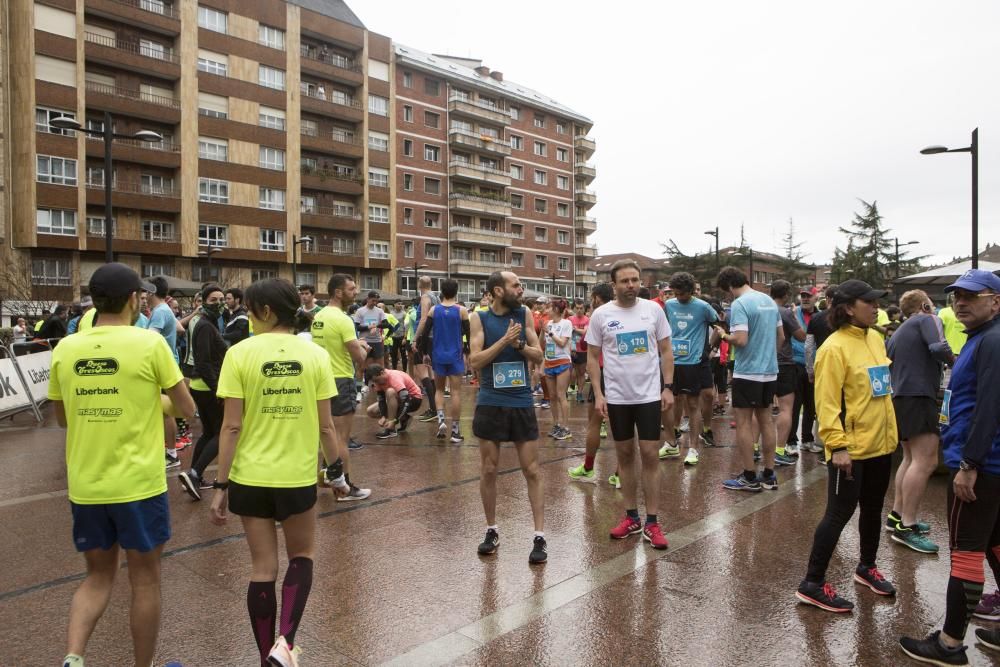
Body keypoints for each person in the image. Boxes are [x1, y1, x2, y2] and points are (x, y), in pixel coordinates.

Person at [50, 263, 195, 667]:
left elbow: (63, 419)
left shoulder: (65, 349)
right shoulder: (149, 345)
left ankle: (74, 658)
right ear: (135, 299)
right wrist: (154, 401)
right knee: (145, 580)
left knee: (97, 578)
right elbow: (186, 406)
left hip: (87, 484)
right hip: (139, 485)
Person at [208, 278, 348, 667]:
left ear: (267, 312)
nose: (248, 318)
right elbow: (326, 428)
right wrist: (336, 474)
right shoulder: (314, 355)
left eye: (251, 311)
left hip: (249, 478)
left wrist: (220, 485)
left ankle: (264, 653)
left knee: (262, 568)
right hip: (296, 478)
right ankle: (284, 644)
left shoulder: (239, 354)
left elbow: (231, 427)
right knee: (301, 555)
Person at [899, 270, 1000, 664]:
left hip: (982, 464)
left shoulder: (990, 342)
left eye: (972, 296)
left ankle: (950, 643)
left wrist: (969, 463)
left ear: (995, 301)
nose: (961, 302)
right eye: (957, 295)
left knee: (967, 554)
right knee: (992, 546)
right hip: (989, 462)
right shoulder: (983, 339)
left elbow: (989, 407)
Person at [795, 280, 898, 613]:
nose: (875, 306)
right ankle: (812, 583)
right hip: (849, 449)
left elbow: (881, 391)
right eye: (868, 301)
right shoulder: (833, 347)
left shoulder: (876, 338)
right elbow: (825, 403)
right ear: (849, 307)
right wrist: (837, 446)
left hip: (881, 444)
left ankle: (866, 567)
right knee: (838, 514)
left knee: (873, 507)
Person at [587, 260, 674, 550]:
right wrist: (599, 394)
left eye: (635, 280)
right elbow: (592, 357)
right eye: (624, 281)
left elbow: (665, 350)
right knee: (624, 455)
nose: (631, 285)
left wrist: (668, 387)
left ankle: (652, 521)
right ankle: (631, 517)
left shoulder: (654, 310)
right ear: (614, 284)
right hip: (617, 398)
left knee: (650, 454)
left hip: (649, 396)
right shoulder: (601, 315)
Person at [469, 271, 547, 564]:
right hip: (490, 401)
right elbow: (474, 361)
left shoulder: (524, 313)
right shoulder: (478, 318)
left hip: (521, 401)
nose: (521, 288)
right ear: (498, 291)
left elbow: (538, 356)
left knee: (532, 470)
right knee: (489, 469)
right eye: (516, 285)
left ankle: (539, 536)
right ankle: (491, 530)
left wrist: (519, 346)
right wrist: (504, 341)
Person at [882, 290, 953, 554]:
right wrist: (957, 361)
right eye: (931, 304)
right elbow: (938, 347)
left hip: (900, 396)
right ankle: (907, 526)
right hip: (920, 394)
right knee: (926, 461)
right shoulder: (927, 318)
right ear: (924, 304)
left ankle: (897, 516)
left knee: (910, 459)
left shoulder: (900, 330)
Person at [714, 266, 783, 492]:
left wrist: (723, 335)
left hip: (747, 371)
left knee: (743, 422)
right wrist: (768, 354)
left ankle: (749, 475)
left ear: (729, 286)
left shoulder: (740, 304)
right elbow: (780, 337)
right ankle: (770, 474)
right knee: (766, 420)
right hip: (769, 370)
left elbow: (741, 340)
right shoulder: (769, 301)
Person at [310, 274, 372, 501]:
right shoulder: (343, 319)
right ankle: (344, 486)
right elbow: (358, 357)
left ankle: (328, 475)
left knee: (328, 433)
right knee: (341, 438)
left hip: (321, 379)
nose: (356, 292)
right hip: (341, 379)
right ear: (338, 292)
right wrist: (364, 347)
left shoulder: (319, 316)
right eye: (352, 288)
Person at [177, 285, 229, 501]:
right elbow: (204, 362)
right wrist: (218, 390)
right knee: (221, 432)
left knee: (208, 432)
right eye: (213, 300)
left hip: (200, 385)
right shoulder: (205, 326)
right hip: (207, 387)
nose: (219, 304)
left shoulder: (202, 322)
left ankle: (192, 476)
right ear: (203, 301)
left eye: (221, 299)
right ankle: (196, 473)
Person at [661, 271, 718, 466]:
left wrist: (709, 348)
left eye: (682, 294)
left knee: (693, 405)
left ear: (691, 291)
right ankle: (670, 443)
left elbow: (720, 326)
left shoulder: (703, 307)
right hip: (672, 361)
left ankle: (693, 448)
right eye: (675, 294)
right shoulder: (669, 305)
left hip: (693, 362)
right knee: (669, 402)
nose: (678, 297)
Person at [568, 282, 614, 483]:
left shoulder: (598, 314)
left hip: (603, 371)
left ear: (595, 297)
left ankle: (588, 467)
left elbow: (587, 343)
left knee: (594, 423)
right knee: (626, 424)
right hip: (624, 374)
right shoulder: (622, 311)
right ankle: (621, 473)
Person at [417, 278, 469, 443]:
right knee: (455, 392)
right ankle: (455, 431)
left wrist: (425, 352)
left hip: (438, 355)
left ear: (441, 292)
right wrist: (467, 351)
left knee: (439, 390)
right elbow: (469, 333)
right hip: (455, 355)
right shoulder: (461, 310)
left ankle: (440, 421)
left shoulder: (434, 310)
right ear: (456, 291)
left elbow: (425, 334)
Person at [771, 280, 806, 465]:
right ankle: (778, 450)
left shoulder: (761, 310)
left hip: (763, 364)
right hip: (784, 363)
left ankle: (754, 448)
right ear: (785, 295)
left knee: (760, 410)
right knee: (786, 408)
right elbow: (801, 336)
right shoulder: (785, 312)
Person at [788, 287, 818, 453]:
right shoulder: (792, 313)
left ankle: (807, 439)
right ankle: (791, 441)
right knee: (795, 404)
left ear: (815, 298)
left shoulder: (820, 315)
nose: (805, 299)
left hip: (814, 365)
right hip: (796, 364)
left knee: (811, 405)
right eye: (803, 296)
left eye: (809, 296)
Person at [363, 364, 424, 439]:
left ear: (382, 372)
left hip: (414, 399)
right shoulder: (378, 381)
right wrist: (383, 416)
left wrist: (395, 421)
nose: (377, 383)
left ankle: (391, 429)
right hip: (400, 400)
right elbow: (381, 400)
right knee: (371, 411)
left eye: (377, 380)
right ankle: (405, 418)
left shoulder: (394, 377)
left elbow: (406, 401)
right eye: (374, 381)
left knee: (390, 392)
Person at [542, 299, 574, 440]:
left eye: (549, 308)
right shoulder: (548, 324)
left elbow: (562, 343)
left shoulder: (566, 323)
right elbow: (541, 343)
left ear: (555, 309)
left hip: (562, 362)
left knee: (561, 395)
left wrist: (549, 333)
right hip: (549, 362)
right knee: (552, 396)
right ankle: (556, 425)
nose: (546, 311)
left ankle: (566, 427)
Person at [354, 291, 389, 369]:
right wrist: (368, 327)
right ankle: (365, 381)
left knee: (380, 367)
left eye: (376, 301)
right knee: (365, 367)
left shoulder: (380, 311)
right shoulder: (360, 311)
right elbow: (356, 327)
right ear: (368, 299)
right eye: (373, 300)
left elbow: (386, 324)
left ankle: (376, 381)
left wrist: (376, 326)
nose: (375, 303)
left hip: (377, 341)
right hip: (365, 341)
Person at [568, 302, 590, 403]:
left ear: (584, 309)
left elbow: (585, 332)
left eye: (581, 308)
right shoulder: (570, 319)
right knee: (570, 372)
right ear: (574, 309)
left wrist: (575, 329)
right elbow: (567, 334)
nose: (579, 310)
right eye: (577, 308)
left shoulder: (587, 319)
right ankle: (570, 388)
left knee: (581, 373)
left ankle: (580, 393)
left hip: (583, 349)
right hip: (571, 349)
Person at [389, 302, 408, 370]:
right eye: (398, 304)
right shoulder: (391, 313)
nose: (400, 305)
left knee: (403, 355)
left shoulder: (404, 313)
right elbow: (389, 325)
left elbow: (406, 326)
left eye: (401, 304)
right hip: (393, 337)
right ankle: (394, 370)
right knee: (393, 355)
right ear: (394, 305)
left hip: (401, 336)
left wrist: (405, 338)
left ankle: (404, 371)